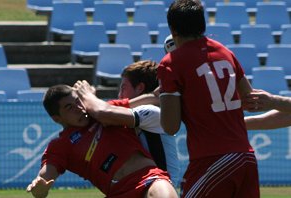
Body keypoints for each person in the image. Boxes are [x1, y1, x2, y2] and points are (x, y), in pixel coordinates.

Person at [157, 0, 259, 197]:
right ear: (202, 25)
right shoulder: (224, 51)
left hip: (212, 159)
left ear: (172, 28)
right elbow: (250, 99)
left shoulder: (170, 63)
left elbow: (170, 126)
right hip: (246, 156)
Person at [26, 84, 178, 198]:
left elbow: (148, 99)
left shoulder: (105, 112)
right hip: (117, 192)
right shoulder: (60, 145)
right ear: (56, 118)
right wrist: (40, 184)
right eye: (69, 107)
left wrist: (160, 93)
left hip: (148, 177)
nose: (79, 108)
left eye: (78, 102)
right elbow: (47, 173)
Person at [112, 60, 180, 186]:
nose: (120, 95)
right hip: (152, 186)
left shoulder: (151, 111)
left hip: (162, 188)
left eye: (123, 88)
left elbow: (103, 112)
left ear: (140, 88)